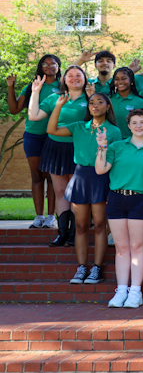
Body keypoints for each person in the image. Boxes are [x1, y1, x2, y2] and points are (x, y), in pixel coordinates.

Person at [47, 92, 121, 285]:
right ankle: (81, 268)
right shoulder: (79, 127)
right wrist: (59, 106)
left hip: (100, 179)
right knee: (79, 226)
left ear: (108, 106)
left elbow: (115, 160)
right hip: (80, 177)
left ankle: (96, 268)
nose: (95, 105)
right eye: (91, 102)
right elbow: (52, 129)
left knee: (98, 226)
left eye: (100, 102)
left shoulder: (113, 131)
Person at [95, 108, 143, 308]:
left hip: (141, 200)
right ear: (128, 125)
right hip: (117, 199)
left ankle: (135, 292)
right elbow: (100, 170)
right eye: (134, 122)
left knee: (137, 246)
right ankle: (121, 290)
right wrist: (102, 147)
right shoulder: (117, 147)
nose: (138, 126)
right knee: (121, 248)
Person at [27, 65, 91, 247]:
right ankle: (62, 233)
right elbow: (33, 115)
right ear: (64, 80)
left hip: (79, 148)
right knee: (61, 191)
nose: (74, 78)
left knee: (76, 192)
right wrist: (36, 92)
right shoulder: (55, 98)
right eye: (70, 75)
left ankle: (74, 233)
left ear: (85, 78)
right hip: (55, 148)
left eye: (78, 75)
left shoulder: (91, 98)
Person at [5, 54, 61, 228]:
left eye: (53, 64)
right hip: (33, 136)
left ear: (59, 67)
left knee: (52, 177)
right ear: (40, 66)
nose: (49, 66)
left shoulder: (63, 86)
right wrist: (11, 87)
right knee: (37, 176)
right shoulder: (32, 87)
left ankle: (51, 217)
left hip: (55, 136)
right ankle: (39, 216)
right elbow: (14, 110)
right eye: (45, 64)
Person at [108, 68, 143, 140]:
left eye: (124, 78)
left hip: (131, 143)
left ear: (131, 80)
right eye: (117, 79)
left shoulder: (140, 102)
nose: (120, 82)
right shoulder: (109, 100)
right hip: (110, 142)